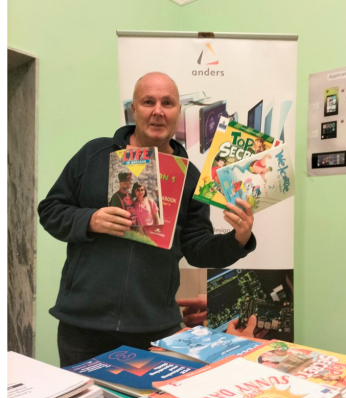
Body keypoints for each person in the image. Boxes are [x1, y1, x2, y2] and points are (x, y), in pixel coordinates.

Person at [38, 72, 256, 366]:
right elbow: (50, 210)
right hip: (83, 327)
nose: (158, 111)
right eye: (148, 102)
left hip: (153, 329)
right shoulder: (95, 154)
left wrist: (239, 239)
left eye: (167, 103)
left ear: (178, 112)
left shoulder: (190, 178)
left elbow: (196, 248)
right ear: (134, 110)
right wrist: (90, 220)